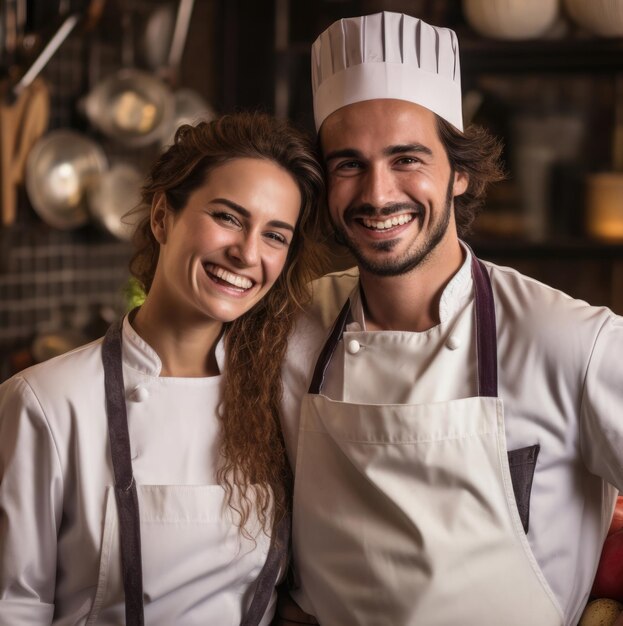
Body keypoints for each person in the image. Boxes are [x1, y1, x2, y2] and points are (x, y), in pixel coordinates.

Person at [278, 11, 623, 626]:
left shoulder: (571, 341)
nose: (378, 194)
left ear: (459, 172)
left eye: (407, 158)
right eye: (349, 164)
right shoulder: (288, 328)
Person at [0, 111, 326, 625]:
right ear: (161, 218)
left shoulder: (277, 403)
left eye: (275, 236)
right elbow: (14, 608)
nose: (246, 253)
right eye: (228, 217)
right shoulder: (46, 403)